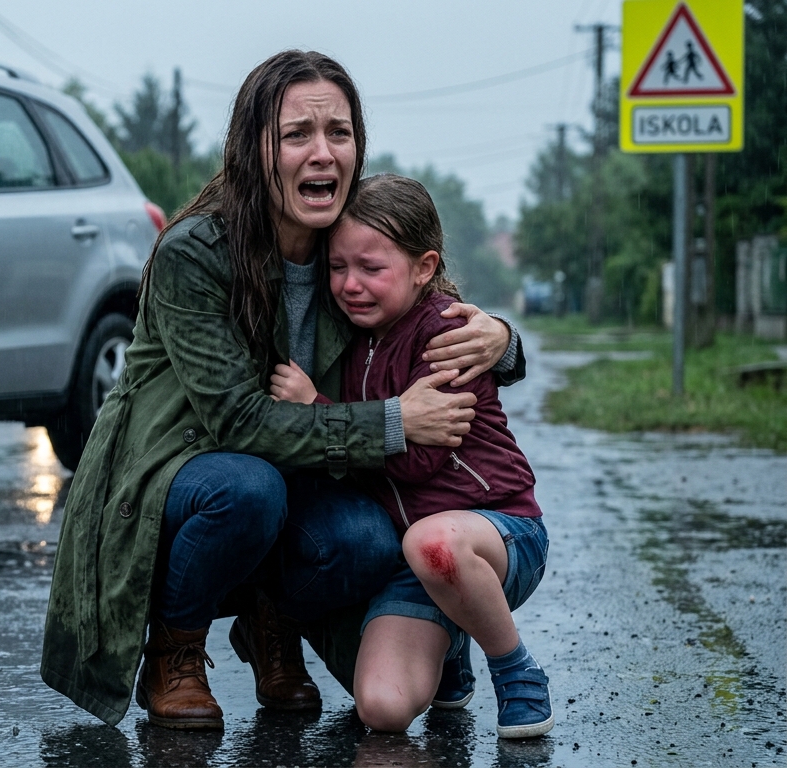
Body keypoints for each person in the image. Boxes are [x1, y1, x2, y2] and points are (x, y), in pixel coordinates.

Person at [40, 50, 526, 730]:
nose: (322, 152)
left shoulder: (347, 244)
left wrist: (502, 341)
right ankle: (174, 649)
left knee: (364, 537)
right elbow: (238, 423)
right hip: (174, 472)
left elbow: (425, 302)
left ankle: (273, 620)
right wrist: (391, 423)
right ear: (254, 149)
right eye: (297, 134)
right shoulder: (195, 253)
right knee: (246, 489)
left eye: (340, 132)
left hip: (292, 473)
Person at [270, 173, 552, 738]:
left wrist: (317, 407)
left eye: (372, 268)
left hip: (496, 536)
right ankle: (451, 647)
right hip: (412, 559)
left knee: (434, 544)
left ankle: (515, 669)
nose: (350, 285)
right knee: (383, 708)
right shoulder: (346, 334)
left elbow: (421, 461)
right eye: (338, 267)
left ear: (424, 267)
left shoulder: (447, 333)